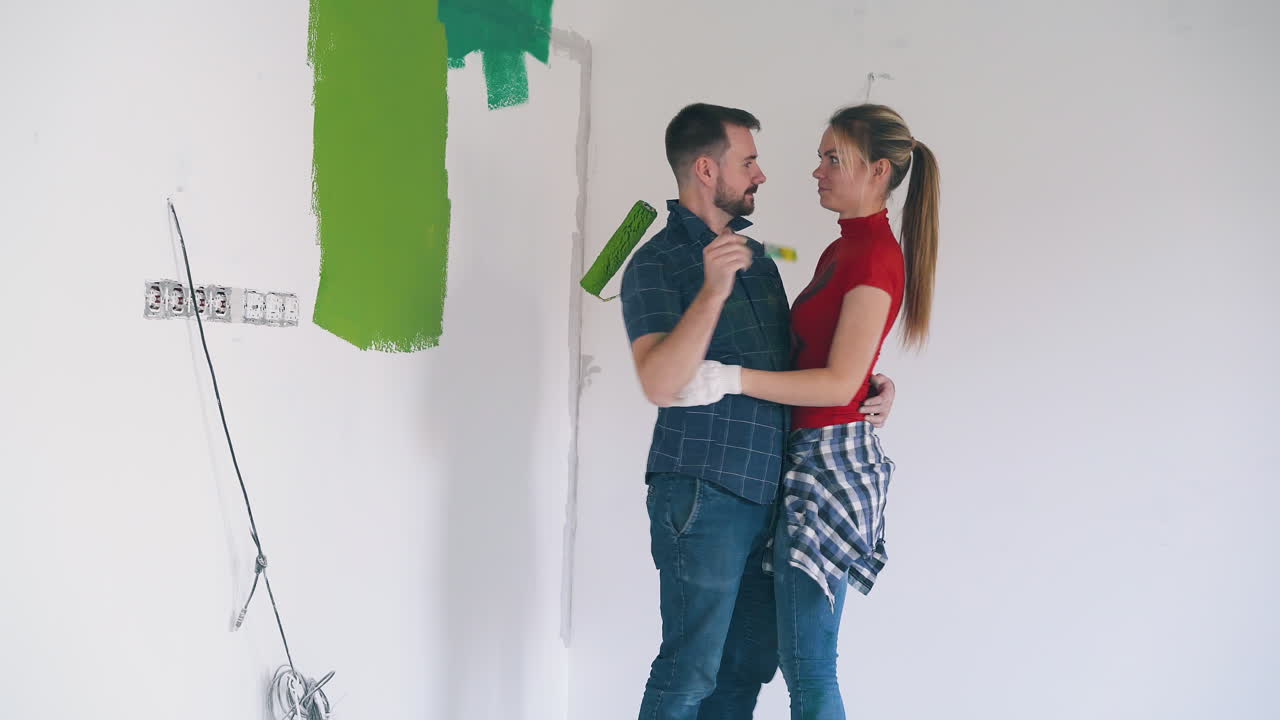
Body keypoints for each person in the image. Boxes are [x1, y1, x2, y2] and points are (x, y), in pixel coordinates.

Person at [620, 102, 896, 719]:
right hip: (702, 491)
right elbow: (661, 382)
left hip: (772, 495)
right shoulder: (658, 264)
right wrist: (712, 288)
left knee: (742, 672)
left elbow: (794, 363)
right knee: (689, 670)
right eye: (748, 162)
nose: (762, 175)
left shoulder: (761, 261)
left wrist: (864, 383)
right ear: (706, 170)